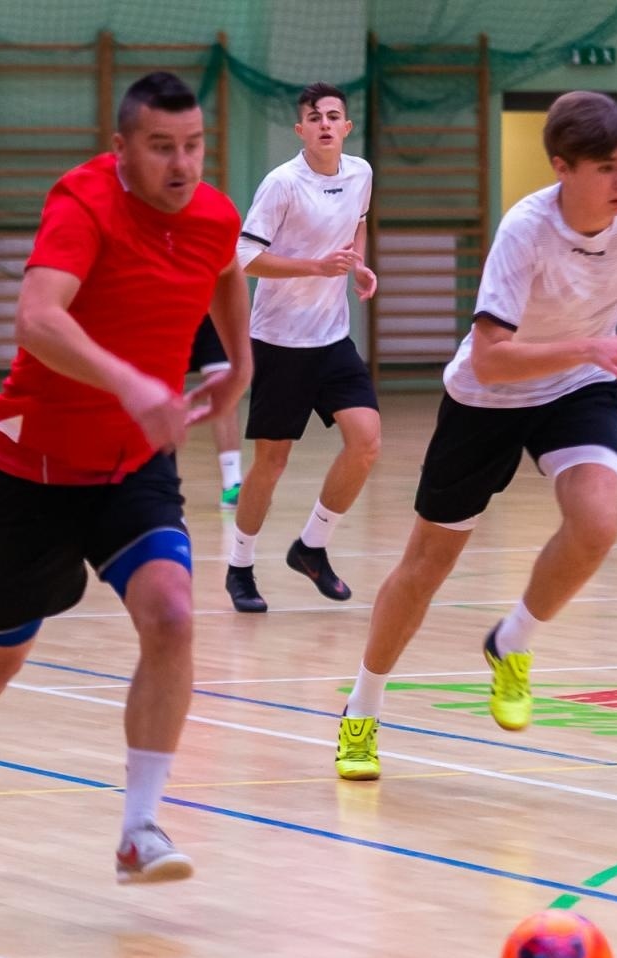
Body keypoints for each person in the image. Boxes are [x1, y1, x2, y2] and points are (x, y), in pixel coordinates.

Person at [0, 71, 251, 884]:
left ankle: (140, 828)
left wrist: (239, 363)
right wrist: (134, 384)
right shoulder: (81, 203)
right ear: (121, 149)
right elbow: (38, 317)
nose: (182, 166)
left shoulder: (213, 213)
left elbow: (223, 267)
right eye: (160, 148)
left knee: (174, 616)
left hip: (135, 468)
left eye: (194, 146)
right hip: (35, 471)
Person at [333, 90, 617, 781]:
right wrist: (591, 345)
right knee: (425, 568)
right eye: (605, 170)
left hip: (575, 387)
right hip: (488, 396)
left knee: (597, 524)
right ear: (562, 167)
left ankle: (512, 642)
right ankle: (361, 711)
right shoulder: (525, 232)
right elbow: (492, 356)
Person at [224, 81, 380, 614]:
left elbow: (355, 225)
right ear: (301, 129)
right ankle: (239, 565)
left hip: (332, 337)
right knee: (271, 463)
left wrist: (357, 268)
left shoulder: (360, 173)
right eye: (315, 117)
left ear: (347, 126)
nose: (326, 124)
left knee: (366, 441)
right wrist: (315, 267)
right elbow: (244, 256)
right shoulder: (282, 184)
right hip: (279, 340)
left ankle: (311, 548)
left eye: (334, 116)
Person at [187, 315, 245, 508]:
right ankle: (158, 485)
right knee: (163, 393)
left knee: (224, 393)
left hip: (211, 313)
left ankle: (232, 484)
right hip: (170, 309)